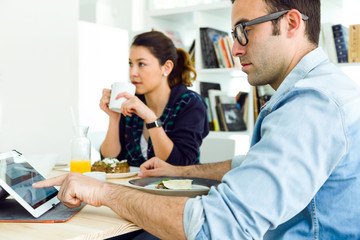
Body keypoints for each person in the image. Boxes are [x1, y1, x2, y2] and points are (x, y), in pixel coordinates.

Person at [33, 0, 360, 239]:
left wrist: (102, 193)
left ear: (291, 23)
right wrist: (182, 172)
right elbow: (256, 163)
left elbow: (218, 226)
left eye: (243, 31)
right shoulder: (318, 92)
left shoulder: (311, 104)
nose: (235, 48)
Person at [99, 30, 209, 167]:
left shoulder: (190, 103)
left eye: (141, 64)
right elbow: (110, 161)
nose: (133, 73)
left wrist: (151, 119)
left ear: (166, 68)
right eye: (130, 64)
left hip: (176, 187)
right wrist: (114, 118)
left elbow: (179, 164)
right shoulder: (131, 102)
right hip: (132, 186)